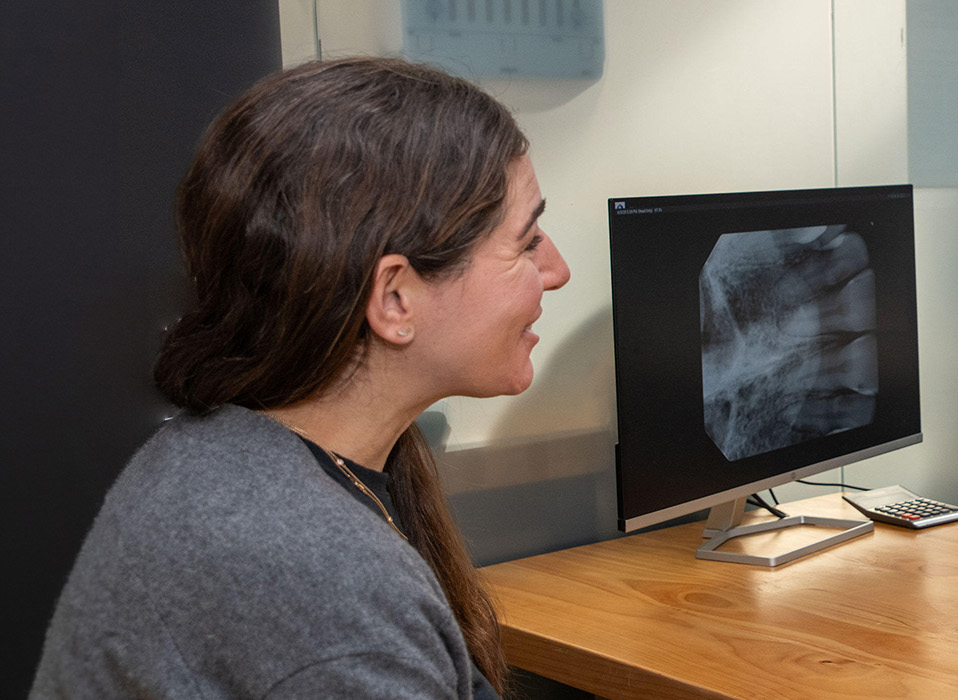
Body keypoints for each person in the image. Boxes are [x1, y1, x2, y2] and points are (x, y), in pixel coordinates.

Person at [32, 57, 570, 698]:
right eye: (527, 239)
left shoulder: (246, 460)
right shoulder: (319, 578)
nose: (557, 268)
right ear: (395, 299)